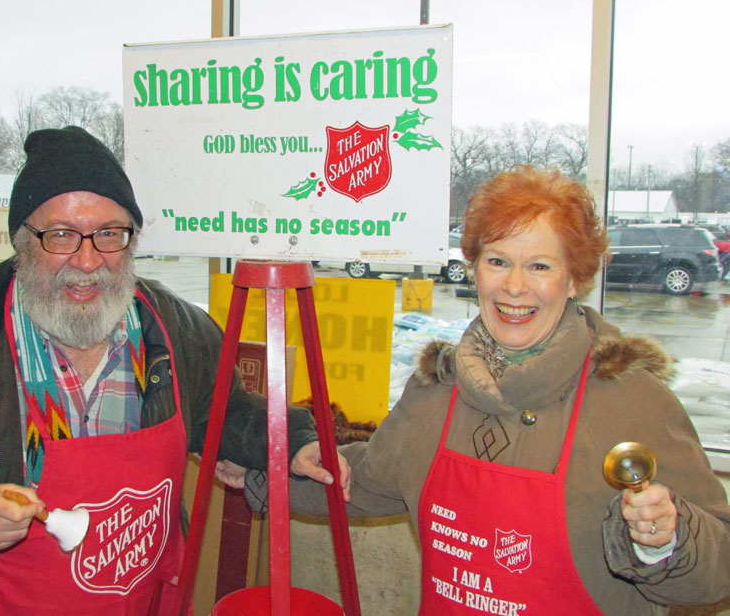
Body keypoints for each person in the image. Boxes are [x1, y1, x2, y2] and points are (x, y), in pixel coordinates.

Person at [247, 165, 730, 615]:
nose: (514, 287)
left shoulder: (630, 398)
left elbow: (716, 572)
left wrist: (664, 538)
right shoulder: (437, 388)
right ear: (474, 268)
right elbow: (365, 483)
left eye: (540, 266)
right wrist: (258, 467)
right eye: (498, 261)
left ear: (576, 278)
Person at [0, 126, 347, 616]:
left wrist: (295, 439)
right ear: (22, 242)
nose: (88, 261)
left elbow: (226, 414)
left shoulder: (176, 329)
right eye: (61, 235)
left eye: (109, 233)